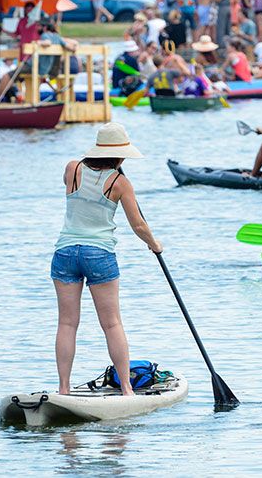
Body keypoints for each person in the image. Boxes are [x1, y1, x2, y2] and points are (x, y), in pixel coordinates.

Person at [52, 123, 163, 396]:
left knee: (67, 323)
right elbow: (138, 225)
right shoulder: (120, 183)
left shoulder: (72, 168)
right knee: (112, 323)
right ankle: (126, 388)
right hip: (98, 253)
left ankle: (64, 388)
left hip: (65, 252)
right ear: (121, 156)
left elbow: (74, 188)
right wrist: (155, 244)